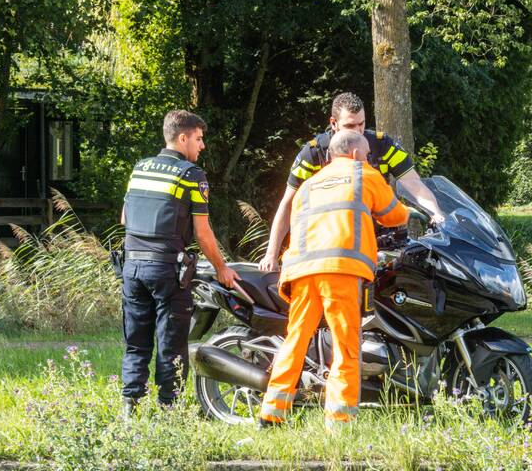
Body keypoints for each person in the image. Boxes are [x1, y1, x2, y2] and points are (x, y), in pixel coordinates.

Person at [259, 129, 409, 429]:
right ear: (354, 153)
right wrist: (407, 212)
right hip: (340, 269)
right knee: (346, 346)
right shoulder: (364, 174)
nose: (369, 158)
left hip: (301, 272)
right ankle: (339, 421)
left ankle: (271, 414)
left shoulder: (309, 184)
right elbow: (395, 217)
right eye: (367, 153)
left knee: (295, 340)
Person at [120, 109, 239, 414]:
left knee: (136, 342)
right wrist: (222, 268)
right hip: (167, 270)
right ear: (182, 138)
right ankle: (169, 410)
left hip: (131, 267)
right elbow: (202, 232)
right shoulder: (191, 175)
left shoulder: (141, 168)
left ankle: (129, 409)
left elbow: (124, 219)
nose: (202, 145)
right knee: (171, 343)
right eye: (198, 139)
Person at [259, 92, 441, 272]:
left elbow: (414, 183)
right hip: (331, 245)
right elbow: (288, 204)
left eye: (361, 124)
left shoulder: (381, 144)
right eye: (349, 126)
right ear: (333, 123)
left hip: (380, 240)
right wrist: (271, 255)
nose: (357, 131)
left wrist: (437, 214)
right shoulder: (313, 153)